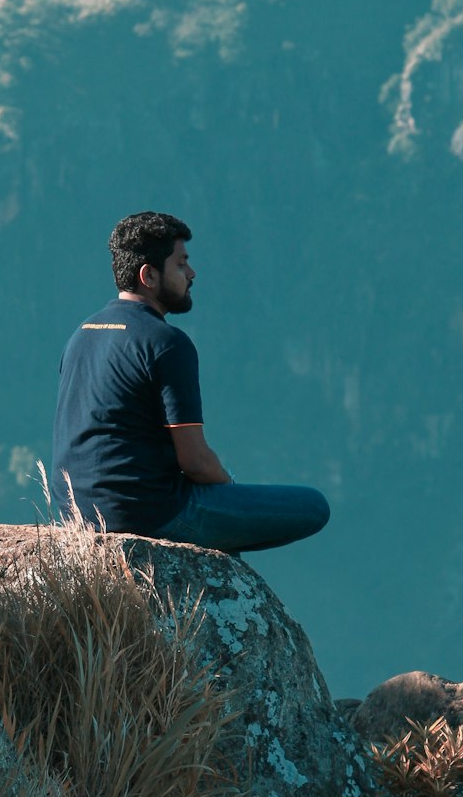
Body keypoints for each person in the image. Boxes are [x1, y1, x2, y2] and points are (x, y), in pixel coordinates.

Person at [50, 211, 330, 553]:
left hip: (76, 514)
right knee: (314, 506)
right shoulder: (165, 342)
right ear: (149, 275)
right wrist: (227, 487)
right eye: (181, 264)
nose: (192, 273)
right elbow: (195, 462)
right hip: (144, 514)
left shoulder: (83, 333)